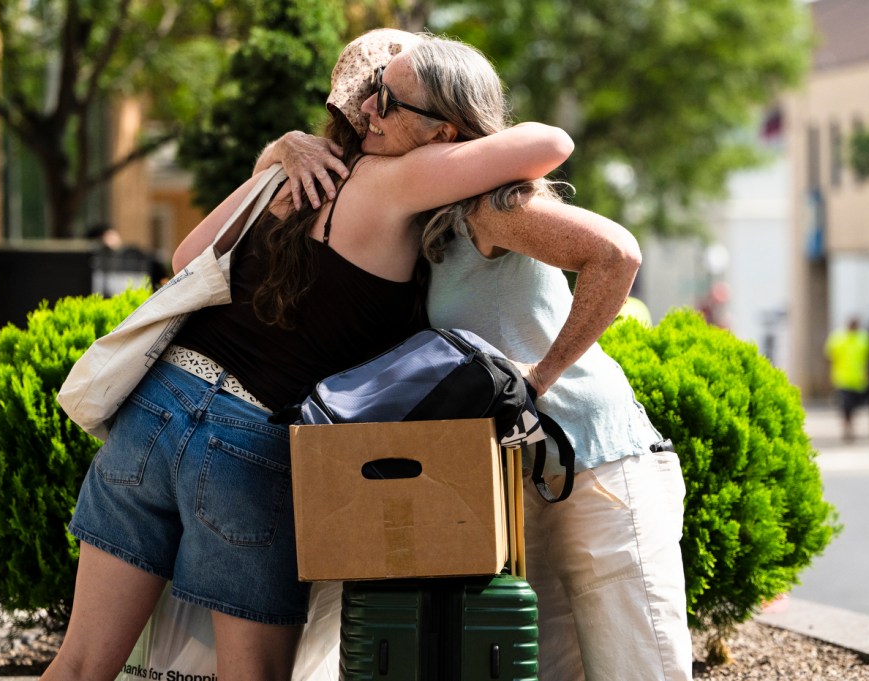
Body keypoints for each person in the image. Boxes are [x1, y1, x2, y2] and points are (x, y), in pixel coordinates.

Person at [42, 31, 573, 681]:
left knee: (80, 665)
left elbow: (187, 260)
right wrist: (455, 129)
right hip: (248, 441)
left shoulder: (288, 170)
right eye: (377, 97)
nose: (376, 111)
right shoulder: (395, 179)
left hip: (153, 409)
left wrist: (277, 151)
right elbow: (549, 144)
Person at [263, 30, 692, 681]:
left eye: (385, 99)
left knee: (641, 669)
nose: (367, 111)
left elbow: (616, 254)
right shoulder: (420, 215)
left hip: (601, 466)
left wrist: (541, 376)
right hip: (523, 479)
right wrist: (285, 145)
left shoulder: (490, 207)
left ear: (444, 131)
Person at [824, 316, 869, 442]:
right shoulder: (838, 338)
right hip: (842, 378)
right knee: (846, 406)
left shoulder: (864, 338)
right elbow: (829, 355)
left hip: (858, 380)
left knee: (855, 406)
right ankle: (848, 427)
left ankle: (850, 425)